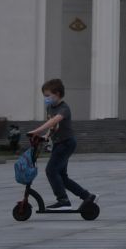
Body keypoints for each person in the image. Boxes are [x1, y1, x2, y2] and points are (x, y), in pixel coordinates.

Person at [29, 78, 95, 211]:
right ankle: (86, 196)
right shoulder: (50, 107)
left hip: (67, 143)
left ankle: (63, 200)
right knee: (62, 177)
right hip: (59, 143)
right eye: (44, 96)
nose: (46, 99)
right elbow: (53, 127)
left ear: (57, 94)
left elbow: (54, 121)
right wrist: (46, 136)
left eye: (48, 96)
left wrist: (36, 131)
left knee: (51, 171)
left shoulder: (64, 108)